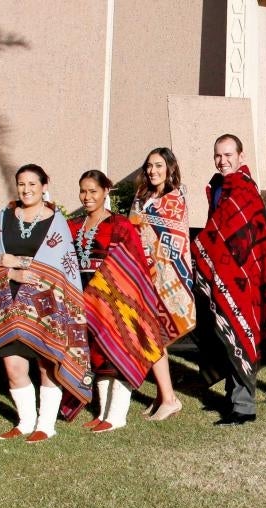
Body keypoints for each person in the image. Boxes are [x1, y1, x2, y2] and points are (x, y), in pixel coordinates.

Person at [0, 164, 92, 443]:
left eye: (33, 183)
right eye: (22, 183)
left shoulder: (56, 221)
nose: (27, 189)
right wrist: (11, 271)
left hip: (47, 304)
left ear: (45, 185)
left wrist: (18, 261)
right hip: (6, 300)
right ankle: (24, 422)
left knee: (47, 364)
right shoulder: (2, 218)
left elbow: (60, 265)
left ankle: (46, 425)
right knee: (13, 366)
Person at [192, 134, 266, 425]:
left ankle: (244, 407)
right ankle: (231, 397)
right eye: (218, 156)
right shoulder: (219, 187)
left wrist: (203, 246)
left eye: (228, 155)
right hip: (223, 275)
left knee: (241, 333)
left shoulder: (245, 190)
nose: (223, 161)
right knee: (226, 337)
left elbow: (246, 238)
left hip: (243, 278)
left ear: (241, 156)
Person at [69, 170, 164, 433]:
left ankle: (117, 415)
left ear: (105, 191)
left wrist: (109, 291)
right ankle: (102, 412)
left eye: (93, 191)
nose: (87, 197)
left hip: (114, 300)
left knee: (117, 354)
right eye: (83, 191)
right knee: (97, 355)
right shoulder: (74, 225)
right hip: (83, 298)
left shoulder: (120, 225)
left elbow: (134, 265)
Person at [129, 147, 195, 421]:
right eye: (149, 166)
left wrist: (142, 222)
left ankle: (169, 399)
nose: (153, 171)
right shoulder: (142, 196)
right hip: (143, 272)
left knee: (154, 336)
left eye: (158, 166)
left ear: (169, 168)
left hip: (167, 276)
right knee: (150, 335)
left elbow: (174, 237)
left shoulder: (175, 197)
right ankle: (161, 395)